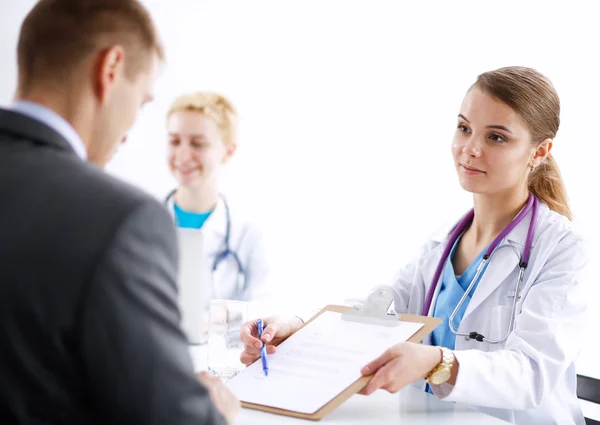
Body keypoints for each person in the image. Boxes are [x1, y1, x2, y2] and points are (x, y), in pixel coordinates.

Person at [239, 66, 587, 425]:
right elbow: (376, 315)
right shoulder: (443, 243)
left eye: (496, 138)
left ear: (539, 151)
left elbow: (531, 372)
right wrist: (298, 328)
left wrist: (438, 362)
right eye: (464, 128)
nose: (470, 149)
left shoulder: (562, 249)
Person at [0, 1, 238, 424]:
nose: (129, 131)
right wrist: (213, 411)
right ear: (110, 69)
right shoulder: (120, 220)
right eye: (143, 101)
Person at [164, 91, 271, 309]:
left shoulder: (248, 232)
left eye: (198, 143)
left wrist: (215, 321)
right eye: (174, 141)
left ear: (228, 151)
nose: (183, 155)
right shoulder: (141, 223)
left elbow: (265, 305)